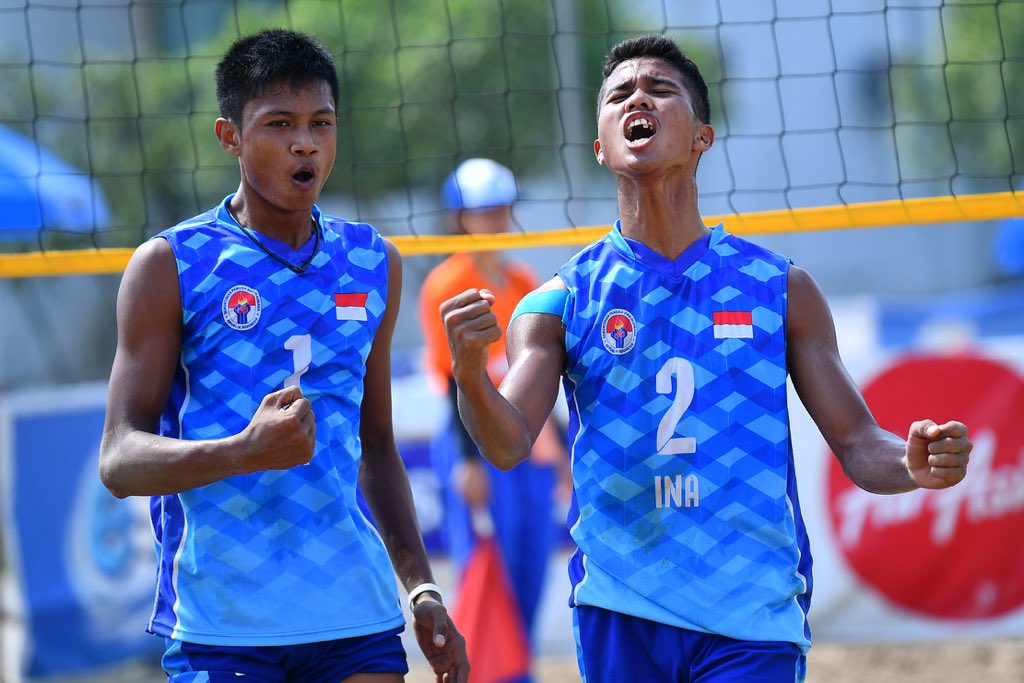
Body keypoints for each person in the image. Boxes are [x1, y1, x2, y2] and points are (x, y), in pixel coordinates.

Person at [439, 34, 972, 683]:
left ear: (702, 137)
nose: (638, 98)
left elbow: (860, 444)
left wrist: (910, 463)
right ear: (600, 145)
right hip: (622, 609)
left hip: (751, 612)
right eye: (619, 94)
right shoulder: (560, 300)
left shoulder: (781, 288)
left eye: (660, 89)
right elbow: (507, 444)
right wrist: (470, 374)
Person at [99, 28, 468, 683]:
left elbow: (378, 447)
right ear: (230, 137)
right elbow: (119, 459)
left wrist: (421, 588)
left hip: (356, 617)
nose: (306, 143)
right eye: (279, 124)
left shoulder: (372, 261)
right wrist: (243, 450)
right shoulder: (171, 264)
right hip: (224, 623)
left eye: (321, 123)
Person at [419, 158, 568, 671]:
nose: (495, 219)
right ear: (460, 218)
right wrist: (467, 461)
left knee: (531, 564)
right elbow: (452, 381)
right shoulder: (445, 283)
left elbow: (539, 376)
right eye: (484, 210)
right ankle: (487, 674)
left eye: (501, 208)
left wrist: (562, 451)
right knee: (488, 571)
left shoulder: (521, 279)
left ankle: (518, 671)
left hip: (527, 436)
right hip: (472, 435)